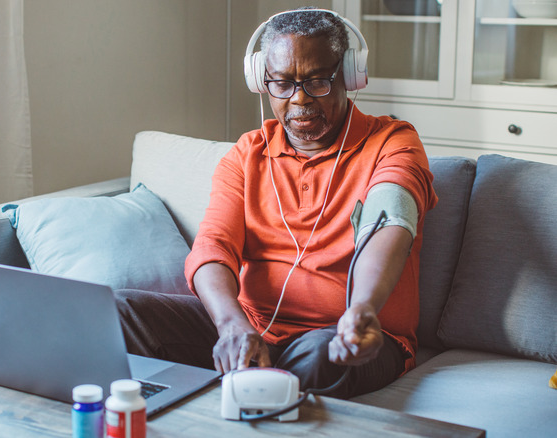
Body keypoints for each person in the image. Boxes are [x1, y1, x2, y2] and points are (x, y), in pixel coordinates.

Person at [116, 8, 437, 399]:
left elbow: (390, 225)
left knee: (320, 358)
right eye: (282, 84)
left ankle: (240, 393)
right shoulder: (247, 154)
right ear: (261, 82)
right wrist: (232, 325)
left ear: (350, 75)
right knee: (115, 314)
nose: (299, 98)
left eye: (317, 81)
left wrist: (363, 307)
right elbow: (214, 247)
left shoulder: (393, 142)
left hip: (349, 335)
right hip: (253, 328)